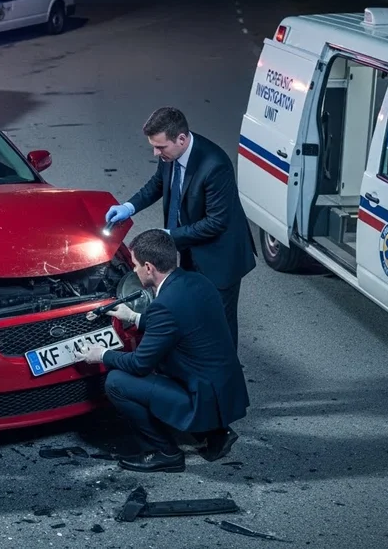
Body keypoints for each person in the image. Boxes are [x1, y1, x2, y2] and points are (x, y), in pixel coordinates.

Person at [75, 229, 250, 473]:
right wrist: (134, 317)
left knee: (116, 381)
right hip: (223, 392)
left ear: (149, 268)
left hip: (201, 398)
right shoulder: (198, 281)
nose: (133, 271)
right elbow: (182, 322)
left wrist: (101, 354)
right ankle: (216, 432)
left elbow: (139, 364)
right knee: (165, 358)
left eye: (135, 266)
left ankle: (164, 453)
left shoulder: (165, 305)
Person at [105, 107, 257, 349]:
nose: (156, 152)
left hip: (219, 258)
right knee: (193, 315)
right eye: (153, 146)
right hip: (188, 247)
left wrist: (169, 236)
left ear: (182, 139)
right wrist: (129, 206)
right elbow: (157, 184)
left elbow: (217, 222)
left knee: (220, 326)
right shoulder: (170, 156)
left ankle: (225, 378)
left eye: (161, 147)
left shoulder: (215, 165)